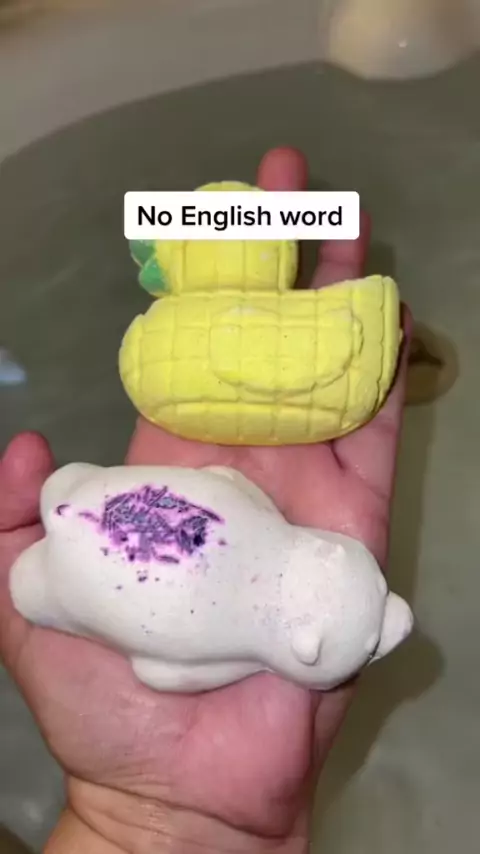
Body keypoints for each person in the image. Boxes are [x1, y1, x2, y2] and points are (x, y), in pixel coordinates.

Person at [0, 147, 410, 854]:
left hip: (87, 517)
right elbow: (163, 669)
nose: (396, 620)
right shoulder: (247, 634)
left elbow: (168, 658)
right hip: (85, 551)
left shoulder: (255, 564)